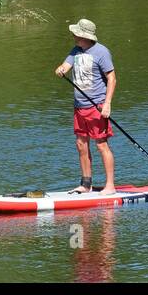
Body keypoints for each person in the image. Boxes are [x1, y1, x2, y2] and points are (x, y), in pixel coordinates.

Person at [53, 19, 117, 194]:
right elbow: (65, 66)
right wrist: (61, 70)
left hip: (97, 106)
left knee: (101, 145)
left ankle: (110, 185)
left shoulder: (101, 52)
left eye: (76, 33)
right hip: (79, 107)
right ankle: (86, 184)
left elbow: (112, 78)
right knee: (81, 144)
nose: (73, 36)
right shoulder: (76, 50)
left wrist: (107, 104)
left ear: (84, 36)